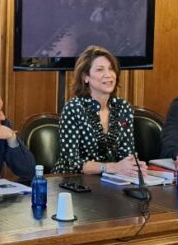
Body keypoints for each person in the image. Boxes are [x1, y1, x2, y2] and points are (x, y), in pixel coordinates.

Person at [55, 45, 145, 177]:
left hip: (112, 180)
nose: (108, 75)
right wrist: (110, 167)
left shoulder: (123, 107)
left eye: (111, 69)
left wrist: (133, 166)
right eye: (100, 70)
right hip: (73, 181)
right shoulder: (74, 108)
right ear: (86, 77)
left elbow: (126, 153)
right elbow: (71, 162)